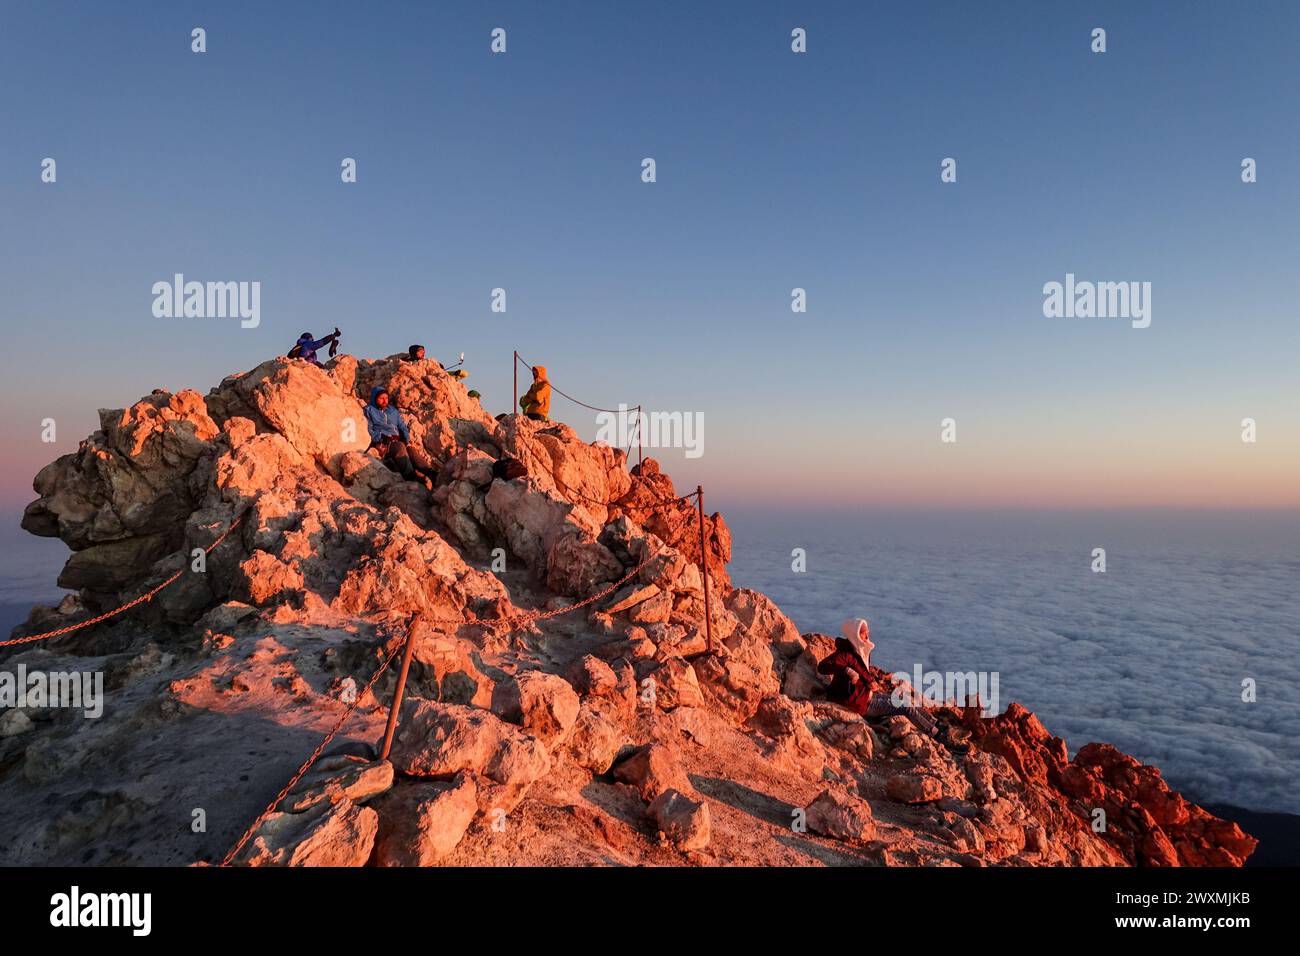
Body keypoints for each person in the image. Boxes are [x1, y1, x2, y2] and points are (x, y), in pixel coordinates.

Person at [817, 618, 966, 751]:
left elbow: (862, 674)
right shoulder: (845, 654)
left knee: (904, 698)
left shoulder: (859, 650)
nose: (867, 636)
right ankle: (938, 736)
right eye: (863, 633)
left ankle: (938, 725)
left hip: (866, 696)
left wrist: (869, 682)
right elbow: (822, 667)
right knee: (906, 708)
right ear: (855, 634)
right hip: (859, 703)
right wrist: (846, 670)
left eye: (867, 632)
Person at [363, 386, 439, 485]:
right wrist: (380, 438)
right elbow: (369, 428)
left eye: (386, 398)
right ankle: (410, 475)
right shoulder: (369, 410)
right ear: (375, 399)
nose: (384, 401)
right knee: (399, 447)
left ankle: (430, 473)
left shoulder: (392, 411)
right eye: (381, 398)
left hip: (397, 440)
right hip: (384, 443)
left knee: (411, 450)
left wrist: (406, 440)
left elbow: (402, 426)